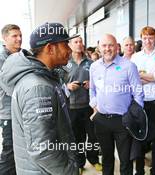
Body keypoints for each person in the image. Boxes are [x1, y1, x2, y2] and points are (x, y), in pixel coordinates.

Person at [0, 22, 79, 174]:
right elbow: (42, 149)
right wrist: (69, 170)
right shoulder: (38, 87)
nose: (69, 50)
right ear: (50, 48)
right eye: (65, 44)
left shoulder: (44, 78)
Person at [89, 34, 144, 175]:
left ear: (116, 46)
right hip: (101, 120)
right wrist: (95, 108)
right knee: (107, 159)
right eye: (104, 45)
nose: (107, 49)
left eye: (110, 45)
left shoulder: (129, 66)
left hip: (123, 121)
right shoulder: (94, 67)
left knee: (125, 161)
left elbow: (138, 93)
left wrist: (133, 116)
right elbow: (92, 90)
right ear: (99, 48)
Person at [131, 26, 155, 175]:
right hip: (140, 103)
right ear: (141, 39)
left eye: (151, 37)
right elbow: (134, 79)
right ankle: (139, 171)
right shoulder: (135, 57)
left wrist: (142, 76)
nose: (148, 41)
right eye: (145, 38)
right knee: (139, 139)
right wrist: (152, 76)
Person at [66, 36, 102, 172]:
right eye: (76, 42)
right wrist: (68, 86)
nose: (79, 44)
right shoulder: (65, 63)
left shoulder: (91, 63)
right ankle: (80, 163)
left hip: (89, 106)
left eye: (81, 41)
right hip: (72, 107)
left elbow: (99, 82)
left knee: (93, 135)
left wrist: (92, 84)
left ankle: (94, 159)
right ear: (69, 45)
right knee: (77, 137)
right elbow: (57, 84)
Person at [0, 24, 22, 175]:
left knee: (20, 152)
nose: (19, 39)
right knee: (10, 152)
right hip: (8, 113)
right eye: (14, 36)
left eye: (20, 35)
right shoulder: (2, 59)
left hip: (20, 112)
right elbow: (10, 88)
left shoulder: (20, 56)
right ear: (4, 38)